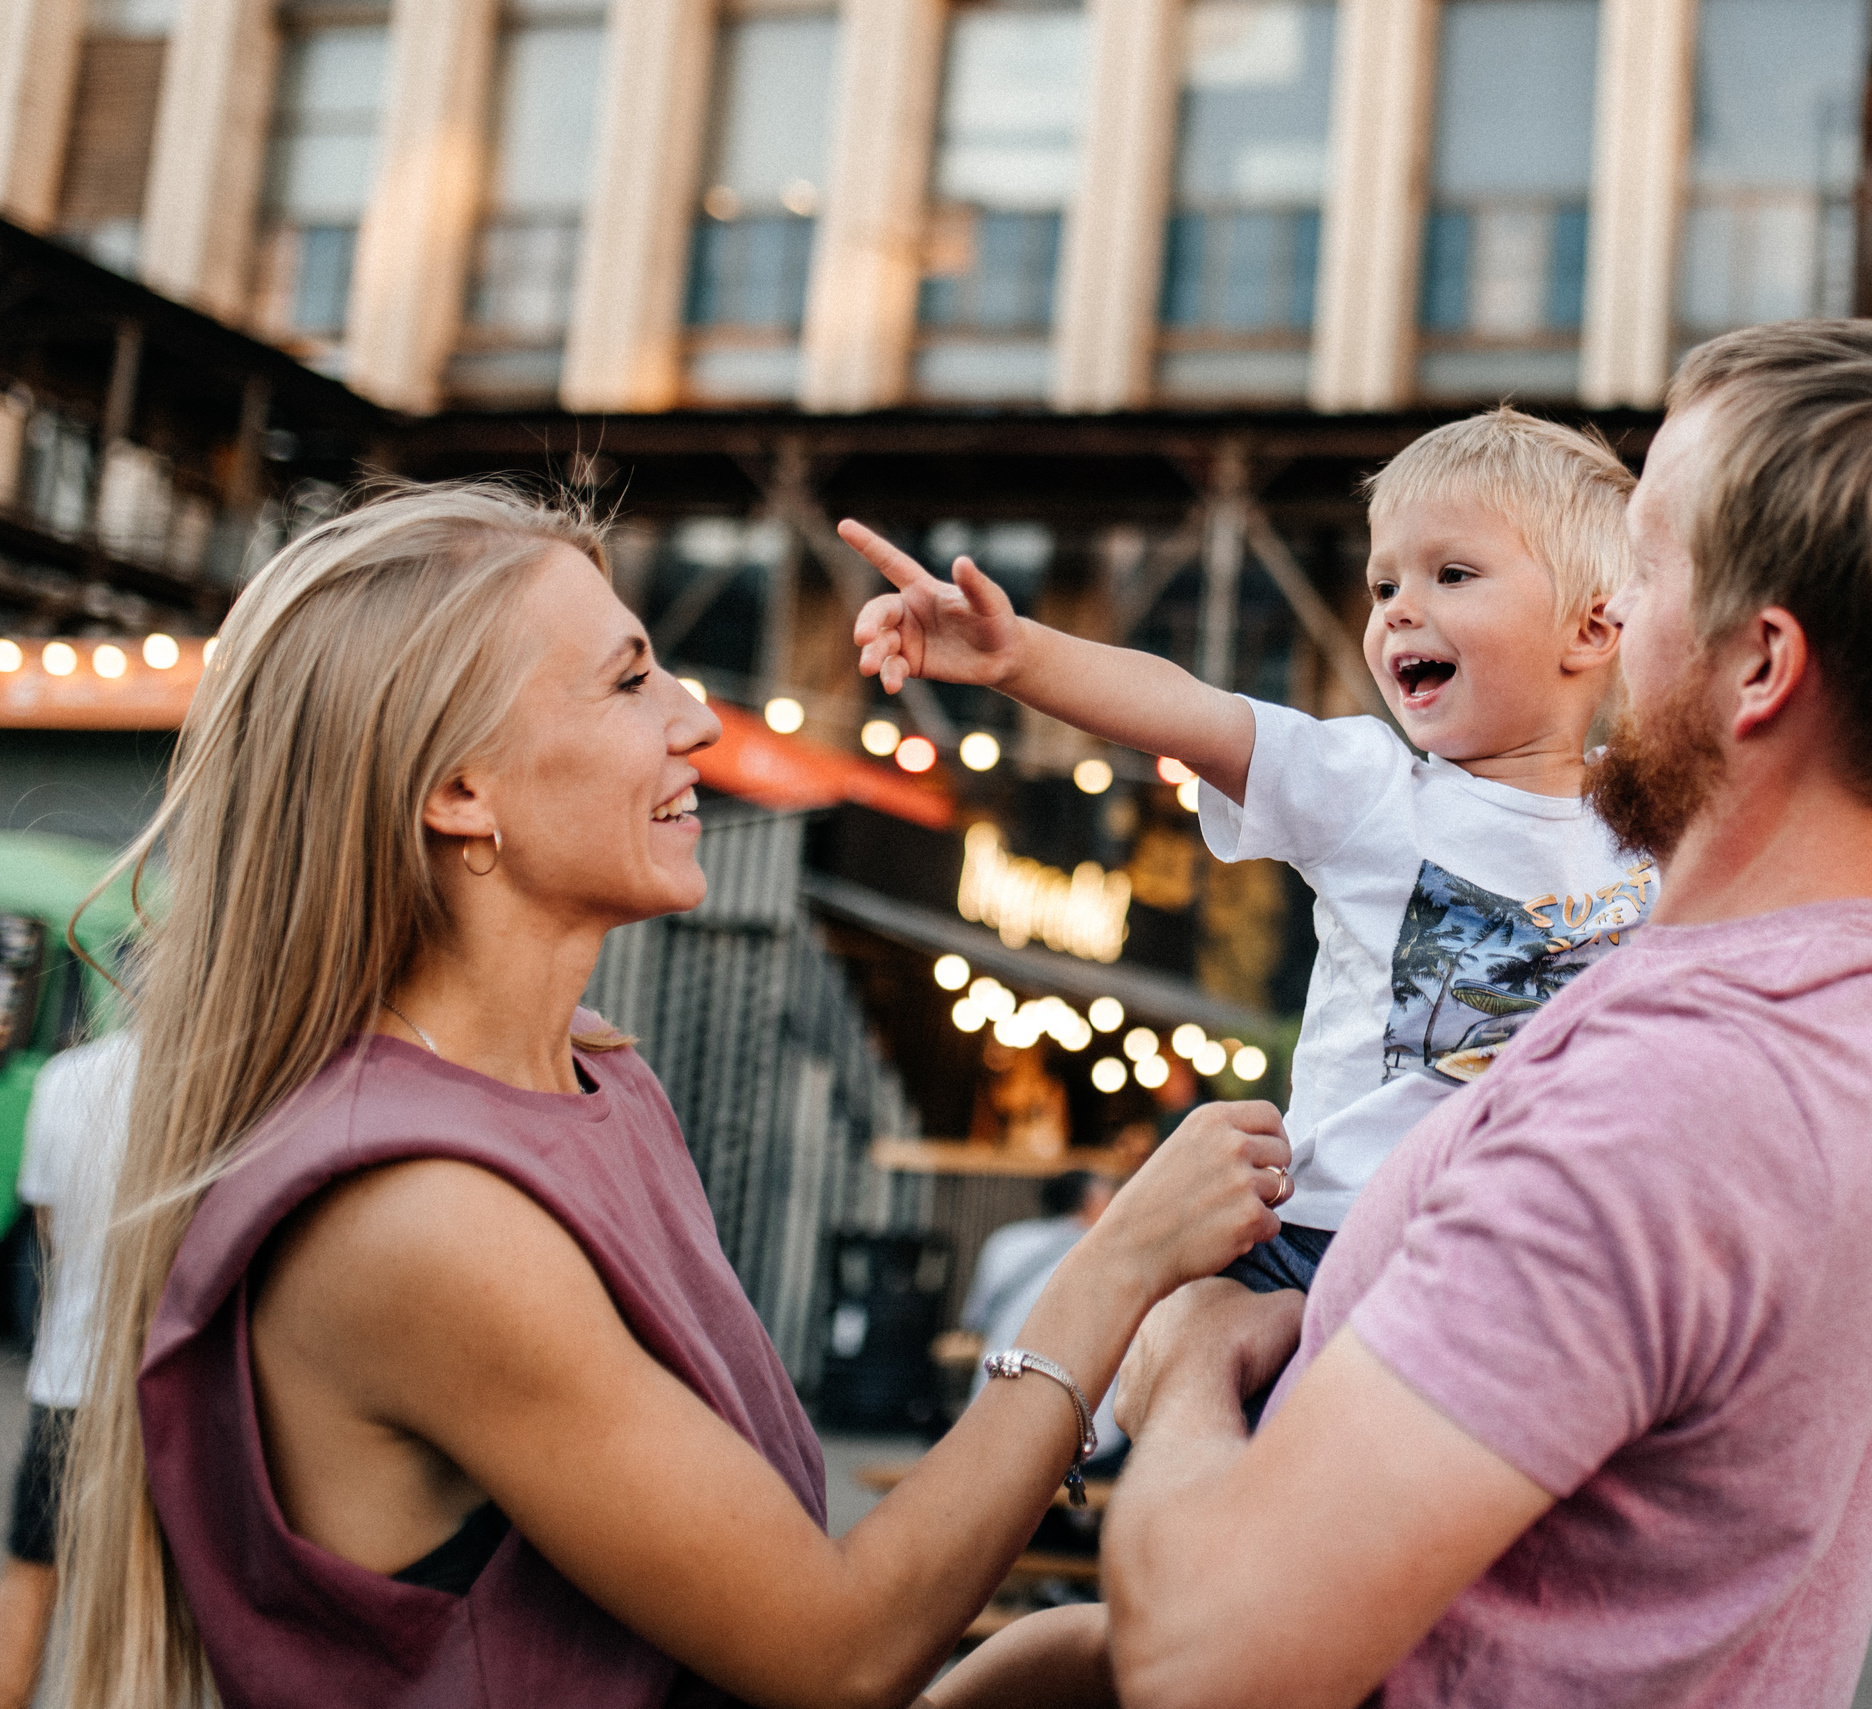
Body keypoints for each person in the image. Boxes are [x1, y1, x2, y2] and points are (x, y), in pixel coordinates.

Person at [926, 321, 1872, 1708]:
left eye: (1646, 566)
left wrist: (1181, 1360)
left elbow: (1207, 1659)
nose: (1614, 616)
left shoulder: (1642, 1120)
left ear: (1762, 666)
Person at [56, 484, 1294, 1709]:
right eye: (630, 679)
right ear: (459, 791)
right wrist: (1119, 1259)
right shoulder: (421, 1214)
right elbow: (835, 1649)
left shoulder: (595, 1071)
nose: (698, 719)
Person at [842, 410, 1653, 1301]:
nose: (1399, 610)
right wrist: (1017, 655)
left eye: (1452, 574)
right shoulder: (1369, 787)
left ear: (1592, 628)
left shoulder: (1652, 813)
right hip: (1330, 1238)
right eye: (1383, 587)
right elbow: (1189, 709)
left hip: (1537, 1253)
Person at [0, 1028, 135, 1708]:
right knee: (136, 1603)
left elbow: (47, 1225)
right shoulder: (232, 1081)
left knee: (32, 1563)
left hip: (67, 1373)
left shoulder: (63, 1075)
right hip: (163, 1390)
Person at [963, 1172, 1130, 1463]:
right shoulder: (1114, 1248)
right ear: (1092, 1202)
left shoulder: (1004, 1242)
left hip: (991, 1414)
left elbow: (975, 1319)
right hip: (1086, 1432)